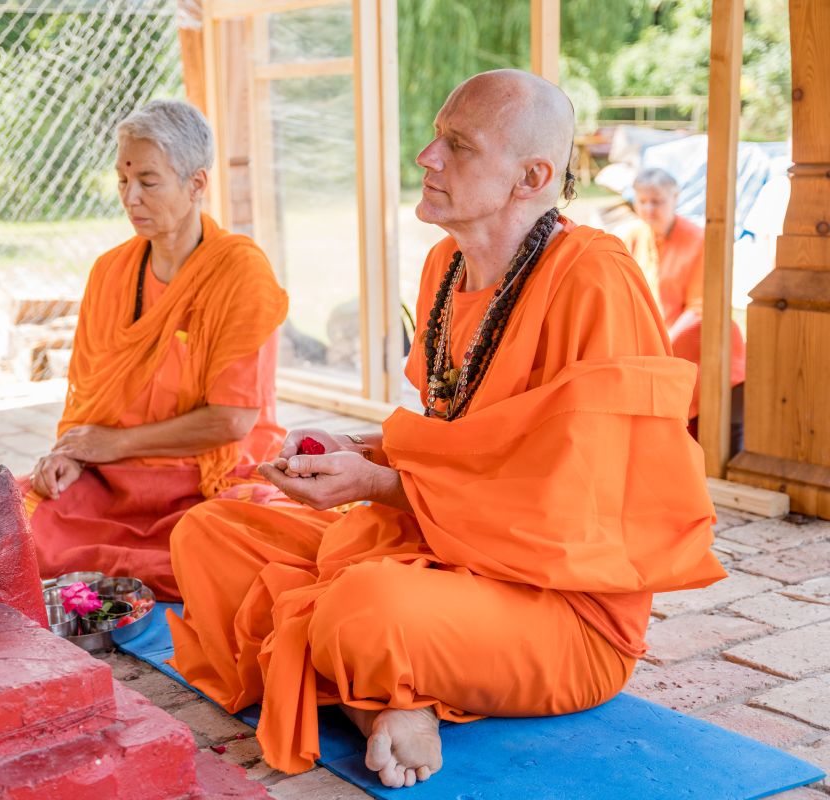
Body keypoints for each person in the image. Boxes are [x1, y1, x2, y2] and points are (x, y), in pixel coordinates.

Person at [166, 70, 726, 788]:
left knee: (362, 610)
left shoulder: (594, 278)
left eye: (456, 145)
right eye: (436, 136)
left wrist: (381, 484)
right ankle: (387, 702)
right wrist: (360, 452)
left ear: (532, 175)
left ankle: (377, 685)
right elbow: (457, 436)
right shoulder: (444, 267)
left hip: (561, 606)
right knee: (208, 534)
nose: (426, 157)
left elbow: (574, 510)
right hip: (437, 550)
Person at [23, 99, 289, 601]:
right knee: (13, 520)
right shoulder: (111, 271)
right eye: (123, 181)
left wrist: (111, 444)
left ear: (196, 184)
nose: (131, 198)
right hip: (118, 479)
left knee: (229, 549)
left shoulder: (240, 273)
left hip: (209, 476)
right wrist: (73, 455)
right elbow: (89, 398)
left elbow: (232, 421)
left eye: (148, 181)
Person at [620, 168, 747, 446]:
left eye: (657, 202)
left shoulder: (698, 240)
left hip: (697, 346)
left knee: (698, 431)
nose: (648, 209)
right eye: (642, 201)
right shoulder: (630, 237)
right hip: (653, 347)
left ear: (675, 199)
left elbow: (700, 308)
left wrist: (660, 346)